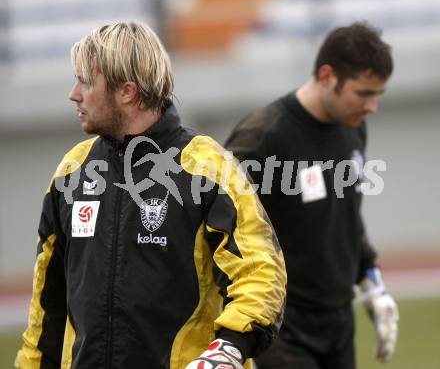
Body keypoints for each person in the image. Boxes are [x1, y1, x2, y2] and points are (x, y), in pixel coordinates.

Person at [15, 22, 286, 369]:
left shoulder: (206, 166)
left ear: (127, 92)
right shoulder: (72, 171)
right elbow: (46, 306)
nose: (74, 93)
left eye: (85, 81)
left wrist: (229, 349)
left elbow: (261, 271)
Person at [225, 21, 399, 369]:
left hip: (338, 322)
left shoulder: (353, 129)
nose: (371, 107)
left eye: (377, 95)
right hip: (282, 329)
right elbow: (216, 226)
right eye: (364, 93)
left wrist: (372, 282)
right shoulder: (263, 137)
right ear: (326, 76)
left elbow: (346, 215)